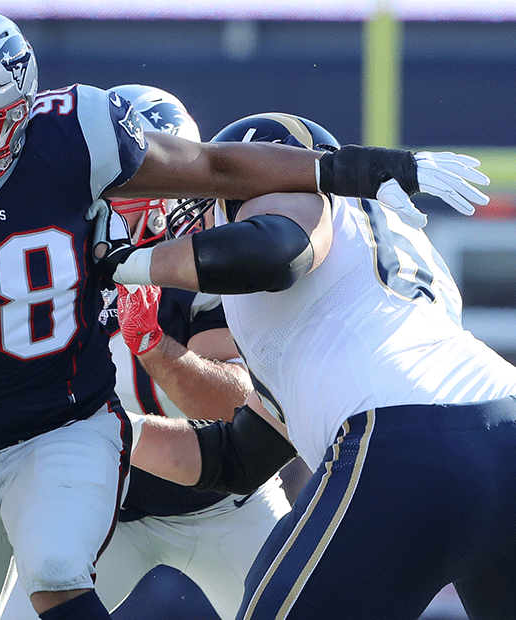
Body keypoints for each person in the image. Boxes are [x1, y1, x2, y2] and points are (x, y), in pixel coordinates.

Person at [0, 9, 490, 620]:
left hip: (204, 494)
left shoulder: (199, 254)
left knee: (64, 566)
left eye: (147, 191)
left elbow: (245, 425)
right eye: (120, 197)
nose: (136, 212)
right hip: (57, 480)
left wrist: (154, 340)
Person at [95, 112, 516, 620]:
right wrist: (112, 430)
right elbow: (238, 458)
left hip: (405, 440)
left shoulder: (305, 204)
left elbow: (275, 252)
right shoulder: (350, 292)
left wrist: (126, 263)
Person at [0, 85, 291, 620]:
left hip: (223, 500)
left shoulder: (210, 266)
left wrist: (155, 348)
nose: (120, 201)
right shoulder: (49, 257)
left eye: (142, 182)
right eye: (115, 181)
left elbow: (234, 403)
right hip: (102, 504)